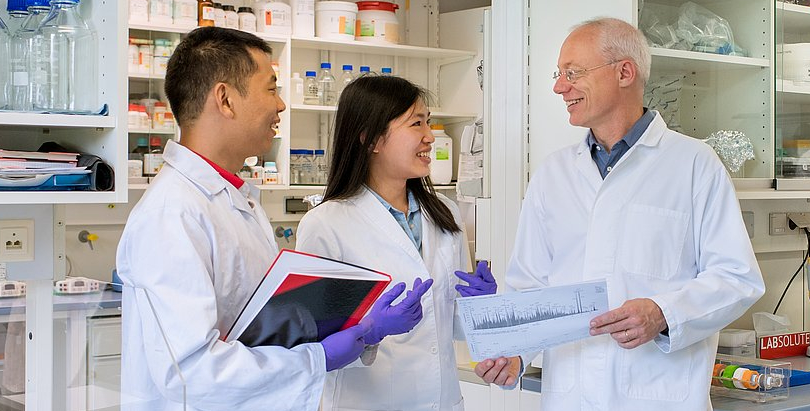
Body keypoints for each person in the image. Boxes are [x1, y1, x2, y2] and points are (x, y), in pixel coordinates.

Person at [116, 27, 430, 411]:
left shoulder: (234, 201)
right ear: (225, 99)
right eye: (271, 88)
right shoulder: (172, 215)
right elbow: (191, 373)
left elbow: (256, 331)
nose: (281, 105)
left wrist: (358, 330)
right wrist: (319, 357)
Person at [474, 18, 765, 410]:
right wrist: (516, 354)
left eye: (572, 73)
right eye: (558, 75)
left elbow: (738, 278)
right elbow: (530, 288)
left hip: (659, 398)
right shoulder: (553, 174)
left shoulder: (694, 164)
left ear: (624, 72)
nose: (560, 87)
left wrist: (663, 313)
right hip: (570, 399)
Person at [295, 75, 497, 411]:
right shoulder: (326, 224)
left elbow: (449, 324)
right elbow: (314, 345)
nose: (430, 137)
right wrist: (371, 329)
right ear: (371, 138)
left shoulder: (444, 213)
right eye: (416, 123)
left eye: (428, 122)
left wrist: (480, 307)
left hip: (443, 400)